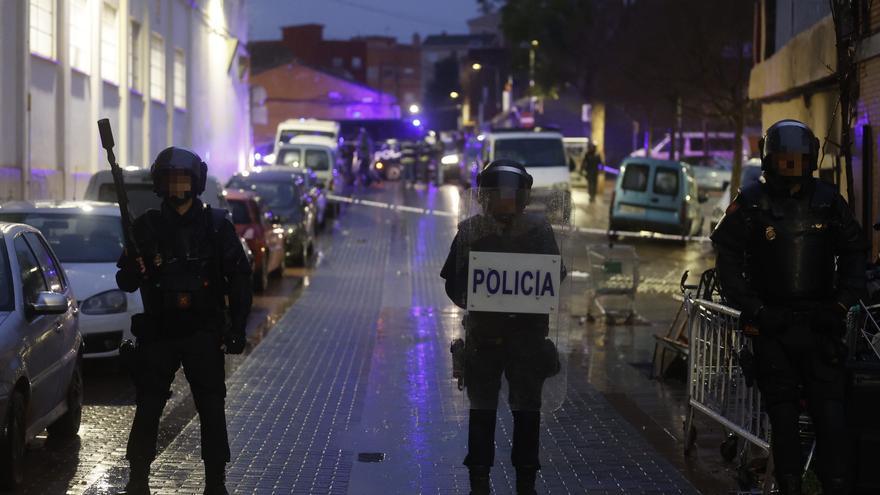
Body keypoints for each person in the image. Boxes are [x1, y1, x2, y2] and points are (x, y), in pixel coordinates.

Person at [711, 120, 866, 495]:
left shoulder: (828, 202)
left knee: (831, 418)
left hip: (818, 327)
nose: (790, 166)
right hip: (774, 328)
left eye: (796, 159)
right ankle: (792, 485)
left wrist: (840, 302)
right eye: (784, 159)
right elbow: (727, 257)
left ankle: (834, 484)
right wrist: (756, 309)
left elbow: (855, 253)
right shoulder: (751, 202)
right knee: (783, 419)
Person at [116, 147, 253, 495]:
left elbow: (240, 276)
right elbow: (127, 280)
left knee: (211, 407)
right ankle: (138, 478)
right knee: (148, 405)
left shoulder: (216, 226)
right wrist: (134, 267)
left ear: (196, 183)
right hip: (160, 332)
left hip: (202, 332)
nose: (177, 187)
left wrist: (238, 327)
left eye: (183, 180)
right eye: (170, 180)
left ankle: (215, 482)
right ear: (160, 185)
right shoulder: (146, 227)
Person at [440, 160, 563, 495]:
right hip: (517, 339)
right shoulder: (538, 231)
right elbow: (557, 277)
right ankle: (523, 483)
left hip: (493, 339)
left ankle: (482, 481)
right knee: (523, 413)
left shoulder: (473, 230)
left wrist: (480, 300)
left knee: (492, 413)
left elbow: (453, 285)